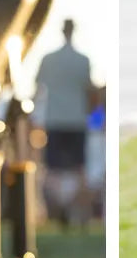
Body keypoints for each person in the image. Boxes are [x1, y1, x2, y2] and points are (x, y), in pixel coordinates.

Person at [34, 19, 98, 227]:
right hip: (77, 121)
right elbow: (90, 93)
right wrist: (96, 119)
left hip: (55, 120)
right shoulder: (83, 60)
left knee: (52, 169)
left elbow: (38, 90)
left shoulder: (49, 59)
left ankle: (55, 213)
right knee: (78, 169)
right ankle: (80, 215)